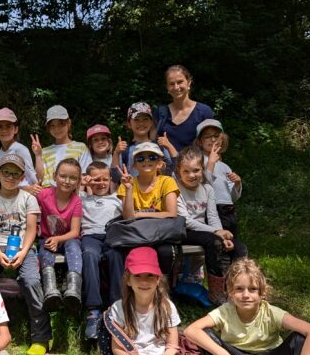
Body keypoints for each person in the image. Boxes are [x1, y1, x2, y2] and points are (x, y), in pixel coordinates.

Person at [0, 154, 50, 355]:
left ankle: (40, 336)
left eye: (16, 174)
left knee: (30, 280)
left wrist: (23, 251)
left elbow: (30, 229)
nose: (10, 177)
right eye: (6, 173)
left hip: (23, 246)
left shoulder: (29, 199)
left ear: (21, 177)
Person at [175, 146, 248, 304]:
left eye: (196, 170)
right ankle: (215, 293)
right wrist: (217, 232)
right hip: (183, 232)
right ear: (179, 172)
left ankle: (235, 288)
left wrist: (222, 232)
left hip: (206, 231)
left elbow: (213, 216)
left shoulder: (207, 189)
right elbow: (186, 221)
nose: (191, 175)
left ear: (203, 169)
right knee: (213, 242)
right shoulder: (175, 190)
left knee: (240, 247)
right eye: (186, 171)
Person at [114, 141, 182, 284]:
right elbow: (128, 216)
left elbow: (171, 213)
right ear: (134, 165)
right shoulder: (128, 182)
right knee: (127, 253)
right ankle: (134, 289)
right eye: (140, 158)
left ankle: (164, 288)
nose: (146, 161)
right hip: (137, 234)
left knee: (166, 252)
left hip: (162, 233)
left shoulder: (167, 181)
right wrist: (129, 189)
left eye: (152, 157)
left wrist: (140, 214)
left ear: (159, 163)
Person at [80, 162, 125, 340]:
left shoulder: (116, 198)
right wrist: (81, 183)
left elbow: (129, 215)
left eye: (104, 179)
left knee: (116, 255)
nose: (100, 183)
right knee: (89, 255)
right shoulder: (81, 198)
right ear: (88, 180)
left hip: (112, 235)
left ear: (110, 180)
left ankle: (117, 306)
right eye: (96, 179)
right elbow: (65, 192)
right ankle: (93, 310)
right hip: (90, 236)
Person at [37, 158, 84, 311]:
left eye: (73, 178)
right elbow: (23, 192)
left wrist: (58, 238)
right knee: (45, 248)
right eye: (63, 176)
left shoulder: (76, 201)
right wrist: (28, 188)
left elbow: (75, 232)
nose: (67, 181)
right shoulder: (44, 195)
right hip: (47, 239)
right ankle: (50, 289)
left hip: (68, 239)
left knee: (74, 245)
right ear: (54, 176)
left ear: (78, 181)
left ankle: (74, 289)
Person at [195, 119, 243, 237]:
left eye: (216, 136)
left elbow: (233, 197)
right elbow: (202, 185)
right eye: (207, 136)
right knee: (219, 243)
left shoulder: (224, 166)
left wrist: (237, 184)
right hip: (212, 210)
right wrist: (210, 163)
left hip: (229, 210)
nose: (212, 139)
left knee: (232, 241)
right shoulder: (197, 161)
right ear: (200, 142)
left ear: (222, 140)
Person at [154, 65, 214, 153]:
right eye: (171, 84)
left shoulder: (203, 112)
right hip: (166, 166)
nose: (176, 87)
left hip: (197, 165)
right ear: (167, 88)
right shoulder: (160, 113)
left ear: (189, 82)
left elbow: (213, 145)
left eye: (180, 82)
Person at [0, 108, 41, 196]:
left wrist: (32, 188)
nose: (4, 130)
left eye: (8, 126)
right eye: (0, 126)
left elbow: (30, 174)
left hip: (25, 195)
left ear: (16, 129)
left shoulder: (21, 149)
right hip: (9, 193)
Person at [31, 105, 91, 188]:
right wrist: (38, 155)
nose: (57, 129)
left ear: (69, 123)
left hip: (72, 193)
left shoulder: (81, 147)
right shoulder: (44, 151)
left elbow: (84, 175)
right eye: (52, 125)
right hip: (47, 194)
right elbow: (39, 179)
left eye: (61, 124)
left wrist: (77, 197)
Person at [123, 102, 175, 177]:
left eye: (145, 119)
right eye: (136, 120)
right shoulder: (125, 149)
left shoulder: (160, 146)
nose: (141, 123)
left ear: (151, 122)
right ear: (129, 124)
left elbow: (174, 167)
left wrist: (169, 146)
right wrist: (116, 153)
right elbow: (115, 176)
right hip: (133, 188)